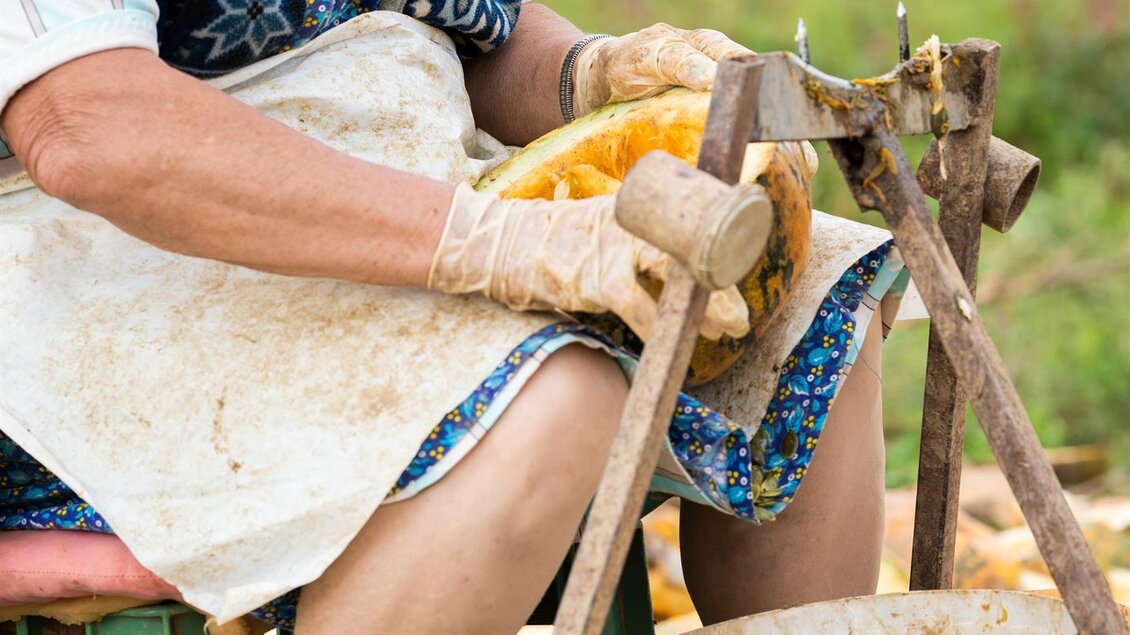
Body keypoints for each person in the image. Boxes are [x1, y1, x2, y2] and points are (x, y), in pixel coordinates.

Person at [0, 1, 902, 632]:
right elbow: (88, 127)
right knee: (551, 399)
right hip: (110, 279)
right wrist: (487, 240)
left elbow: (471, 37)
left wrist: (585, 74)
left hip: (410, 190)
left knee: (793, 309)